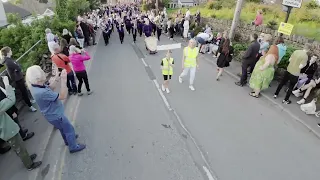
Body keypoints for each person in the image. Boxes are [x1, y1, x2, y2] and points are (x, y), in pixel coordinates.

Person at [26, 66, 86, 153]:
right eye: (42, 71)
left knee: (62, 128)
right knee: (69, 129)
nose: (44, 72)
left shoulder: (35, 86)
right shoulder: (42, 92)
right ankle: (73, 146)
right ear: (38, 77)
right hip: (56, 114)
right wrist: (64, 80)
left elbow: (50, 88)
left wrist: (57, 77)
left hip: (51, 115)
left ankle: (68, 140)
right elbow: (62, 96)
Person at [0, 76, 42, 170]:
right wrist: (7, 84)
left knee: (20, 146)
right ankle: (29, 165)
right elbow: (10, 100)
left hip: (8, 127)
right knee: (19, 147)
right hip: (7, 130)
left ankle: (27, 159)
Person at [0, 47, 37, 112]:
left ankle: (30, 101)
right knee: (23, 92)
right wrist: (17, 68)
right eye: (10, 50)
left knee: (24, 90)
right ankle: (30, 106)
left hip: (18, 77)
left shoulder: (9, 59)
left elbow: (18, 65)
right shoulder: (8, 61)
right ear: (8, 52)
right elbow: (18, 67)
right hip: (17, 79)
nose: (11, 51)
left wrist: (17, 67)